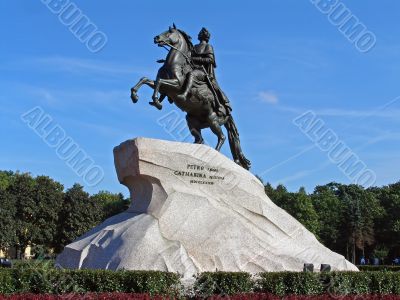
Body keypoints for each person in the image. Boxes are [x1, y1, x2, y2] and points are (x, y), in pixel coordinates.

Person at [176, 27, 231, 115]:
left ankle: (184, 94)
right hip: (192, 67)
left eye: (200, 33)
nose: (198, 34)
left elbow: (210, 60)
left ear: (203, 36)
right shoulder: (195, 47)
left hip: (202, 71)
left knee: (192, 74)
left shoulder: (208, 46)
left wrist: (194, 59)